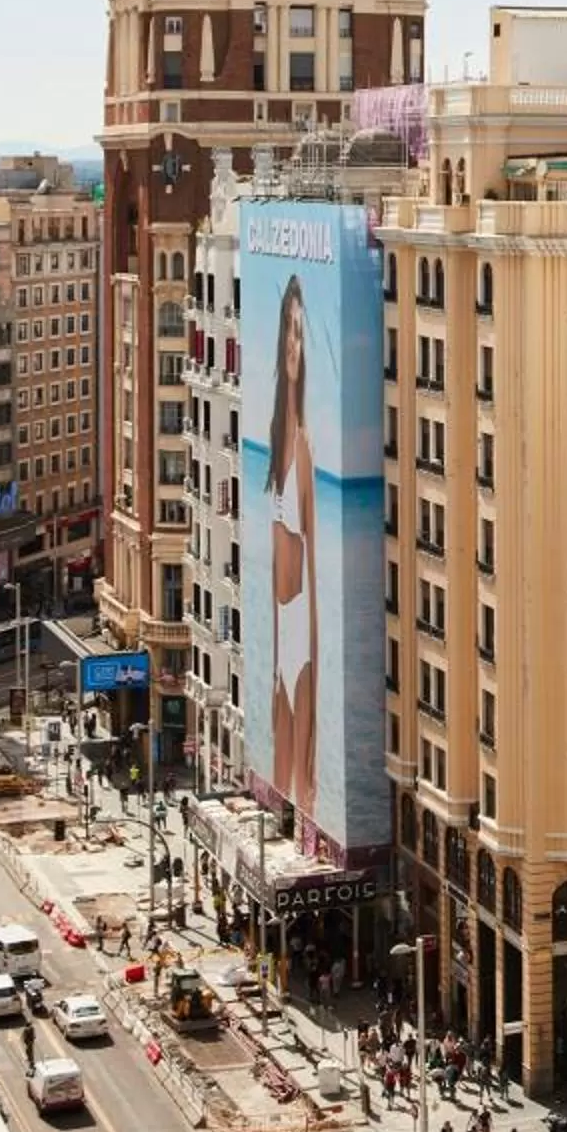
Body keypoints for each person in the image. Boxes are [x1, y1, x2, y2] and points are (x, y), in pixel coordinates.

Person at [262, 275, 320, 821]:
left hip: (302, 639)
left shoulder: (303, 448)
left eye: (300, 332)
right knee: (280, 773)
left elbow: (316, 577)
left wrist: (313, 661)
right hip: (282, 637)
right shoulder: (276, 435)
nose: (293, 343)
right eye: (288, 329)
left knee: (303, 780)